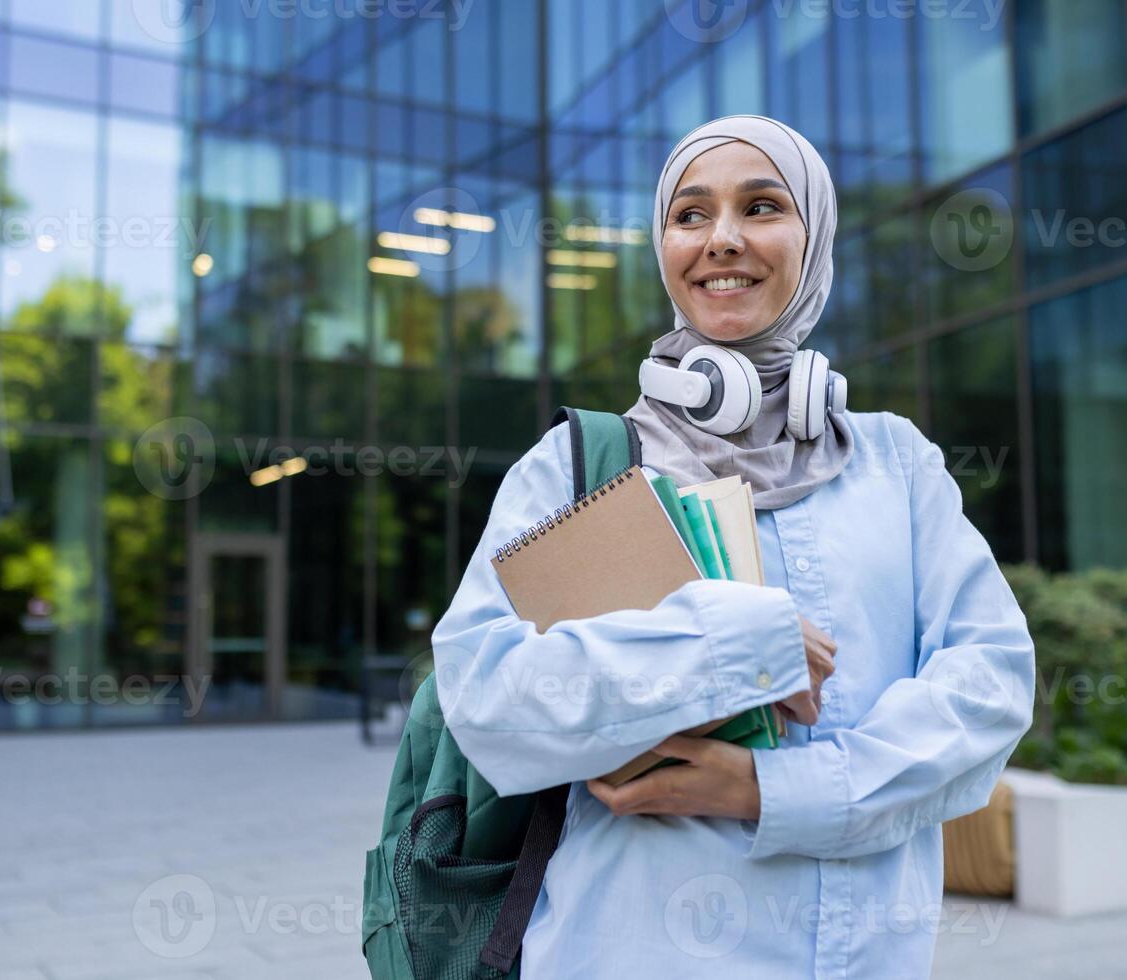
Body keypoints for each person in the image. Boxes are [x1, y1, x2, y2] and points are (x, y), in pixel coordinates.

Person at [430, 115, 1035, 977]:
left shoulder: (895, 461)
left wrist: (768, 791)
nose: (722, 239)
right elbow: (489, 703)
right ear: (663, 246)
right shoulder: (576, 468)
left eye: (761, 207)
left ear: (813, 235)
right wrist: (729, 650)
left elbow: (990, 685)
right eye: (689, 215)